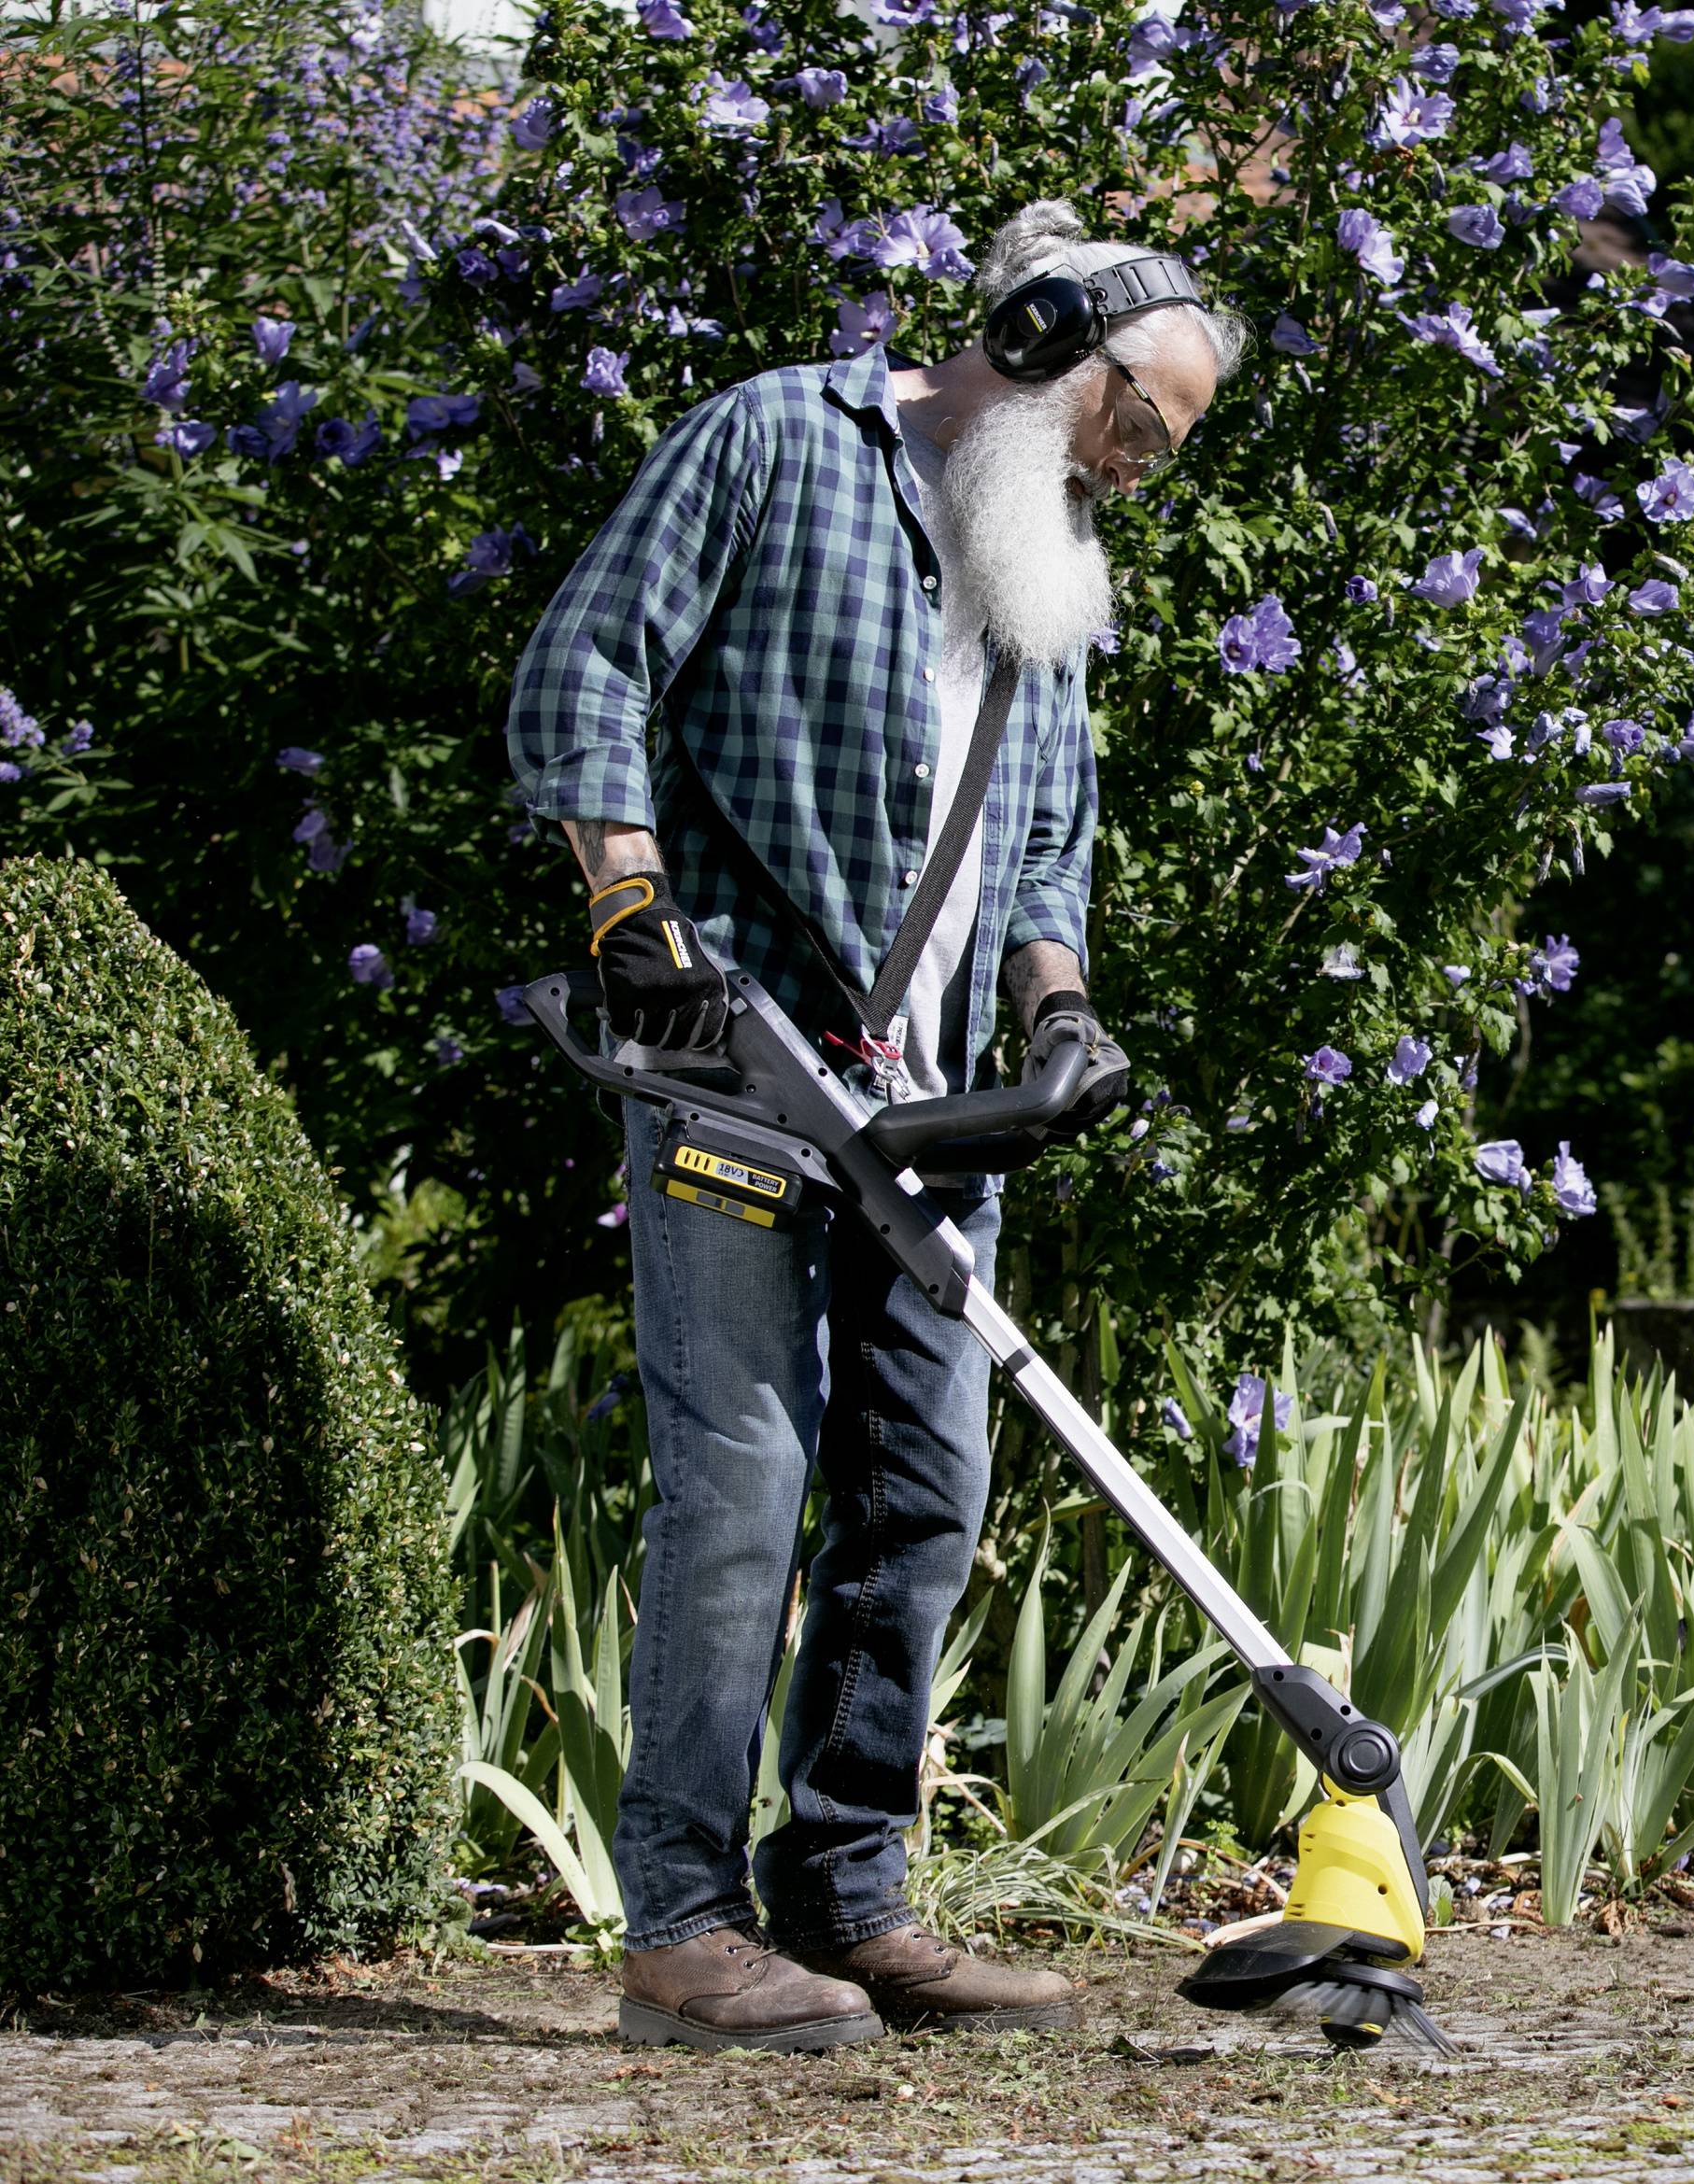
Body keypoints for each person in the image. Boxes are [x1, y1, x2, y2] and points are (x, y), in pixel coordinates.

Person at [506, 201, 1248, 2052]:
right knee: (745, 1477)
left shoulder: (1039, 546)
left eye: (1168, 445)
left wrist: (1057, 1011)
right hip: (733, 1064)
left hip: (927, 1115)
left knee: (924, 1495)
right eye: (1137, 421)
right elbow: (588, 664)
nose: (1138, 468)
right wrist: (628, 910)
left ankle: (851, 1895)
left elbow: (1048, 829)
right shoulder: (774, 441)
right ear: (1035, 334)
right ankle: (680, 1924)